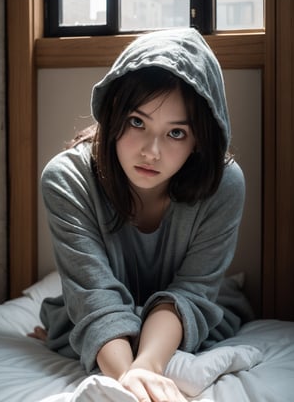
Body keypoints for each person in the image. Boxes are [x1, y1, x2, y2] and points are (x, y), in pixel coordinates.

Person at [31, 28, 245, 402]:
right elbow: (95, 297)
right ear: (113, 117)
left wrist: (148, 366)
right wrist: (132, 379)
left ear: (199, 141)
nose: (151, 151)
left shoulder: (223, 183)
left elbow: (193, 292)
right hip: (99, 319)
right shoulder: (67, 179)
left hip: (185, 322)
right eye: (137, 122)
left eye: (176, 133)